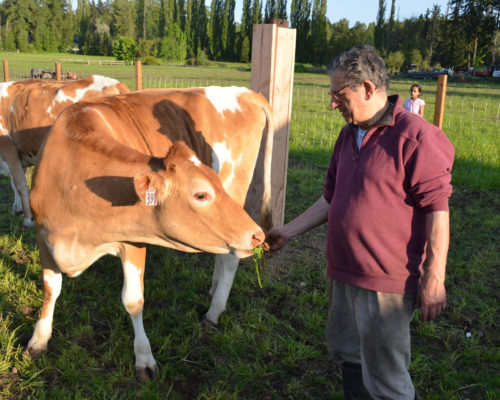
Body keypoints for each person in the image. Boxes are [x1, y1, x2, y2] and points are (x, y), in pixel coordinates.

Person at [266, 45, 454, 400]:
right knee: (349, 356)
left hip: (386, 283)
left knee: (386, 378)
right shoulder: (346, 135)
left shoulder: (415, 136)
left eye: (339, 94)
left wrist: (434, 278)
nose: (332, 104)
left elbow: (437, 211)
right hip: (343, 273)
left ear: (368, 89)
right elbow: (330, 199)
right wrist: (287, 232)